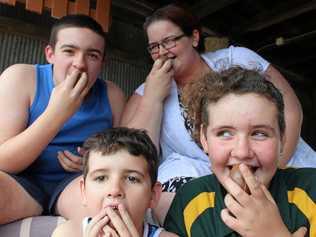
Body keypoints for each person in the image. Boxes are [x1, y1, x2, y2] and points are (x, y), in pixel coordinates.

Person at [121, 4, 316, 223]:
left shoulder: (236, 58)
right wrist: (153, 96)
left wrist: (275, 171)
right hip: (215, 180)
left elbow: (291, 109)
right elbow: (132, 151)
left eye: (169, 41)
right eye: (154, 46)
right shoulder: (146, 91)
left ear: (194, 37)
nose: (162, 52)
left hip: (280, 160)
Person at [0, 14, 125, 224]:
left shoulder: (112, 95)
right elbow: (3, 161)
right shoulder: (21, 77)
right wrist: (57, 113)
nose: (80, 64)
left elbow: (123, 156)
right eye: (69, 51)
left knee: (110, 213)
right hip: (20, 182)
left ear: (102, 62)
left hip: (77, 184)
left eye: (92, 55)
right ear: (50, 54)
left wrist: (95, 162)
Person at [164, 67, 316, 237]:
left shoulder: (311, 190)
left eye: (259, 134)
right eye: (225, 133)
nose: (242, 152)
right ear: (204, 139)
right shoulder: (190, 201)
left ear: (282, 139)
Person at [52, 127, 178, 237]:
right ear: (83, 191)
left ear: (153, 195)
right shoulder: (68, 233)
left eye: (132, 179)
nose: (115, 190)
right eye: (101, 178)